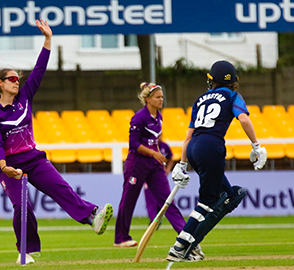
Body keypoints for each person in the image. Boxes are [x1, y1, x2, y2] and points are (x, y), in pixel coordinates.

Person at [0, 19, 113, 265]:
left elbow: (39, 69)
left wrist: (47, 39)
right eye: (11, 78)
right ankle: (26, 252)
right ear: (0, 83)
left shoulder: (25, 97)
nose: (16, 81)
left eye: (17, 78)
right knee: (23, 207)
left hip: (33, 158)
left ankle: (91, 217)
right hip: (10, 165)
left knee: (61, 189)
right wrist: (4, 167)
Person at [166, 60, 267, 262]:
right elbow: (244, 119)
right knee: (207, 201)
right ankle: (181, 247)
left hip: (194, 147)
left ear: (212, 79)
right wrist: (256, 146)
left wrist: (182, 164)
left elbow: (188, 137)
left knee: (228, 196)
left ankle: (191, 243)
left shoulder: (201, 99)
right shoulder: (232, 95)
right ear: (233, 80)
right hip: (211, 147)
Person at [114, 82, 188, 249]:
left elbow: (155, 140)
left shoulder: (159, 117)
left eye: (162, 97)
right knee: (129, 199)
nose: (161, 100)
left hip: (153, 165)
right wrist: (154, 153)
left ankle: (185, 235)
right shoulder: (138, 118)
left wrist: (157, 156)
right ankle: (121, 237)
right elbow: (133, 143)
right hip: (137, 163)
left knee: (167, 199)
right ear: (148, 99)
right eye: (158, 97)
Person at [143, 141, 173, 225]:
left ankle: (158, 218)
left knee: (164, 197)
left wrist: (168, 169)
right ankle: (153, 220)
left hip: (160, 175)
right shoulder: (147, 145)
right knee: (150, 199)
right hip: (148, 175)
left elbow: (171, 158)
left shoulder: (164, 146)